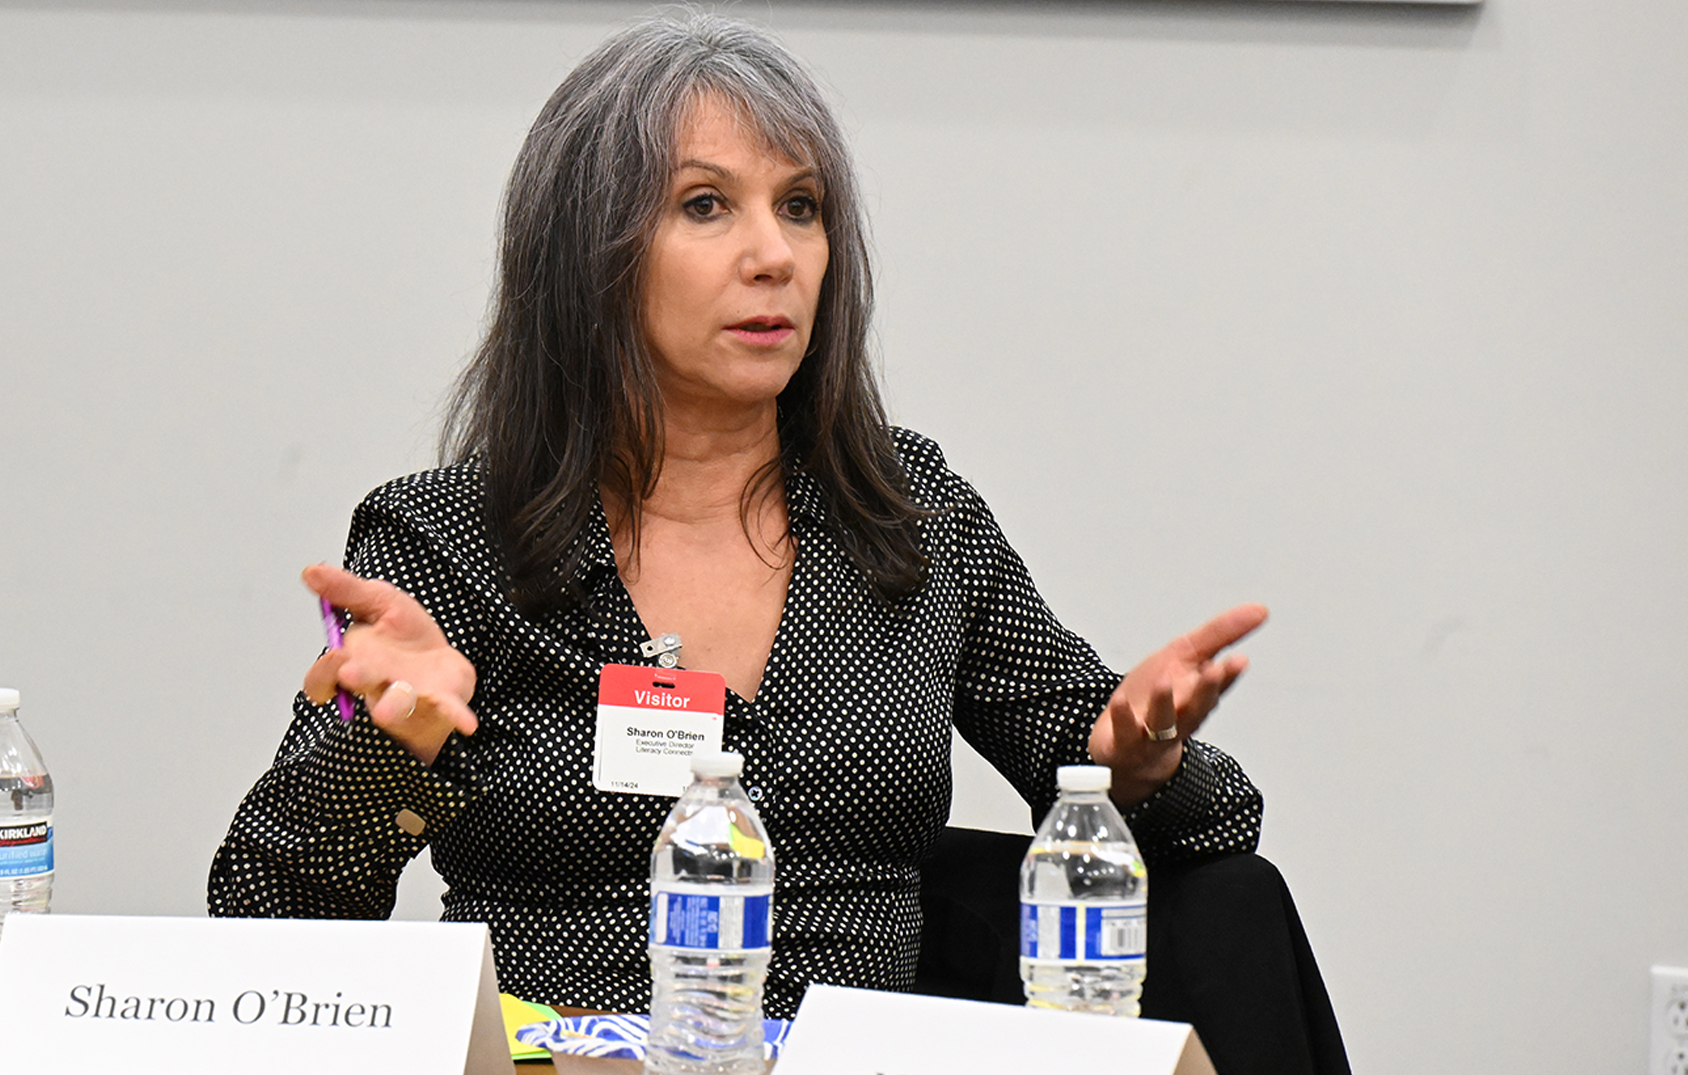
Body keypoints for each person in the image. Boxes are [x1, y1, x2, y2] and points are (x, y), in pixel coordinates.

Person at [208, 10, 1267, 1020]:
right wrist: (385, 747)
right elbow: (263, 917)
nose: (775, 255)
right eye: (705, 205)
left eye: (800, 207)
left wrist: (1142, 764)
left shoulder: (909, 518)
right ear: (588, 255)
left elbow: (1211, 825)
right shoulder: (448, 541)